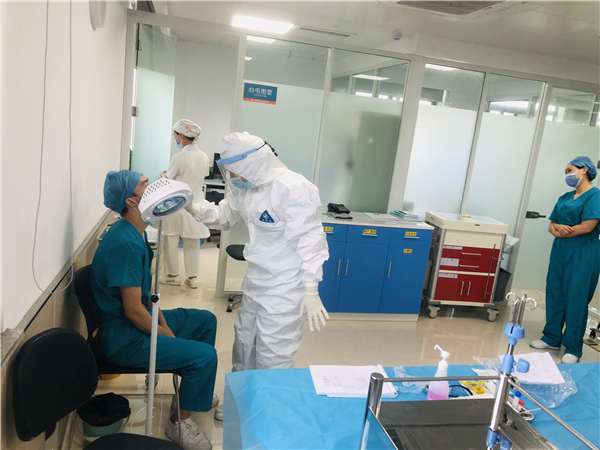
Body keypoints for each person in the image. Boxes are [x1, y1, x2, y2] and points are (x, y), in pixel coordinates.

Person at [92, 169, 219, 450]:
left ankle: (190, 391)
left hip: (137, 318)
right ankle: (178, 422)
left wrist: (164, 325)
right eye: (144, 184)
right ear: (132, 201)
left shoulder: (134, 232)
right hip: (124, 339)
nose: (151, 186)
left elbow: (148, 298)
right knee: (205, 356)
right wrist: (166, 335)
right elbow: (133, 312)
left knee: (205, 320)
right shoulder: (124, 243)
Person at [188, 131, 329, 374]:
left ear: (251, 163)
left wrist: (311, 290)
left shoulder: (294, 188)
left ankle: (268, 399)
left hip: (285, 288)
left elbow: (310, 241)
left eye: (234, 171)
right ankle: (242, 395)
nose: (232, 177)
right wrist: (194, 207)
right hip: (255, 282)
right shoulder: (248, 188)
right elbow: (225, 215)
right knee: (244, 342)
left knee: (272, 355)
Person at [530, 156, 600, 364]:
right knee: (555, 291)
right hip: (561, 248)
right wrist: (557, 229)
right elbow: (552, 224)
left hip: (583, 249)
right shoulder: (565, 197)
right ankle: (551, 338)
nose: (567, 175)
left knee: (576, 297)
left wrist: (561, 230)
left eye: (570, 170)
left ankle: (573, 348)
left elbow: (587, 226)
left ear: (584, 170)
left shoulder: (595, 196)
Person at [159, 119, 210, 289]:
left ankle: (172, 275)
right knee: (192, 240)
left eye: (175, 135)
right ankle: (193, 278)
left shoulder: (179, 157)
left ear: (181, 135)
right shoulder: (204, 156)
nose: (175, 138)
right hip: (195, 204)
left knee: (171, 237)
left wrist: (163, 177)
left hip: (177, 204)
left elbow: (169, 180)